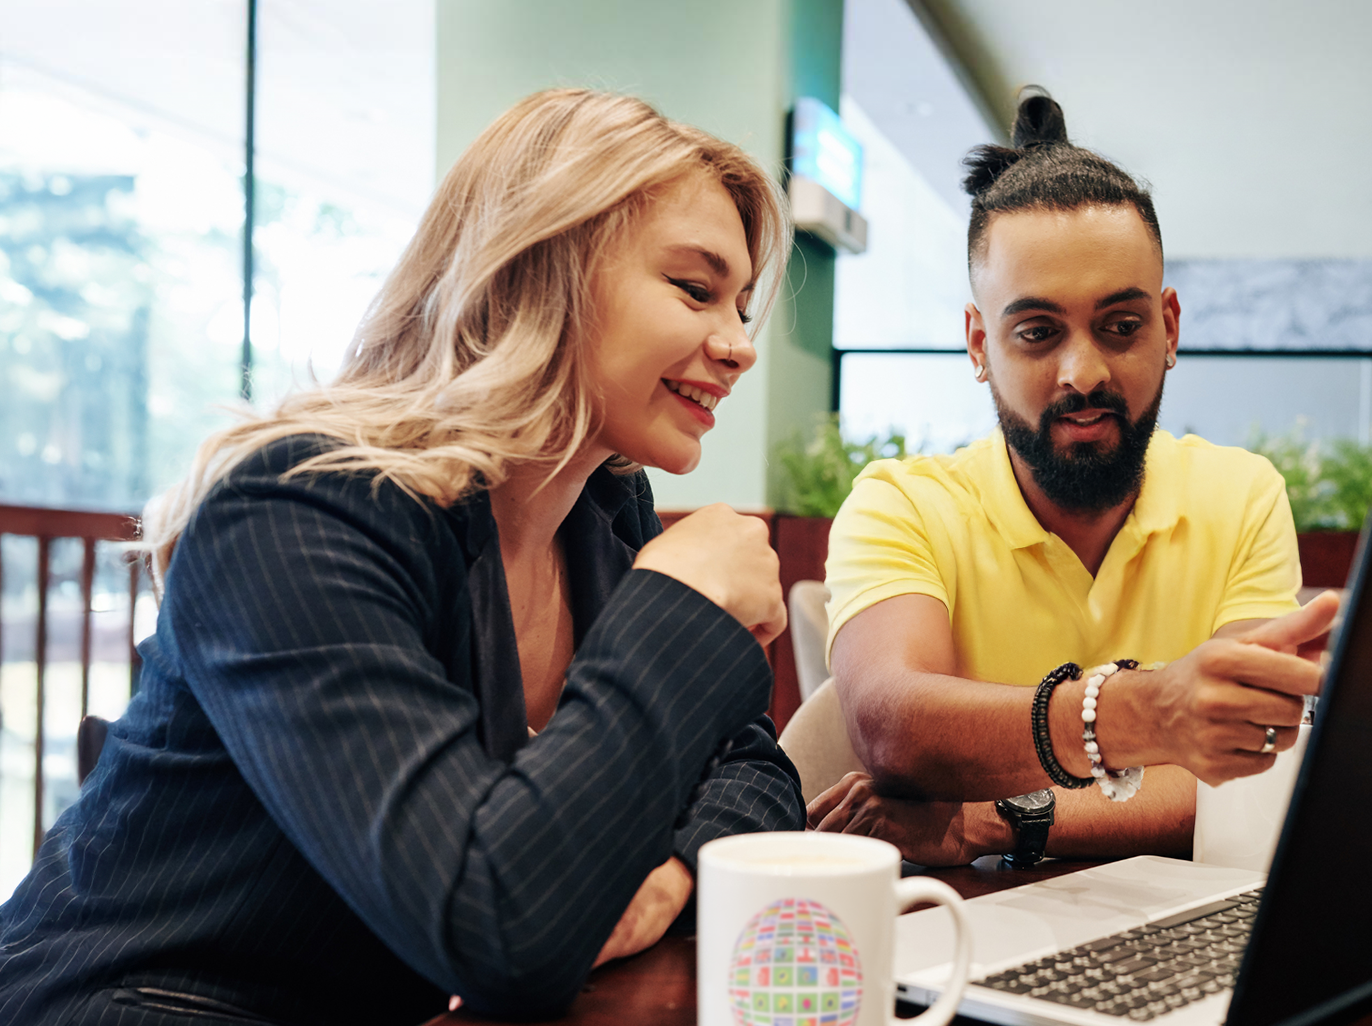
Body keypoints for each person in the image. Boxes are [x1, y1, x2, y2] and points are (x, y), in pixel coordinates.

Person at [0, 89, 805, 1025]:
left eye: (742, 305)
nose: (741, 346)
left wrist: (662, 878)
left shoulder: (602, 508)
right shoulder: (297, 507)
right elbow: (499, 928)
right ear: (538, 268)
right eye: (696, 290)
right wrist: (680, 608)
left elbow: (754, 773)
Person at [808, 89, 1338, 867]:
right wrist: (1154, 716)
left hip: (1177, 931)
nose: (1083, 372)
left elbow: (1242, 779)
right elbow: (895, 727)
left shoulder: (1241, 495)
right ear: (978, 342)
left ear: (1171, 329)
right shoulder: (903, 504)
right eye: (1037, 333)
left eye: (1122, 327)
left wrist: (998, 817)